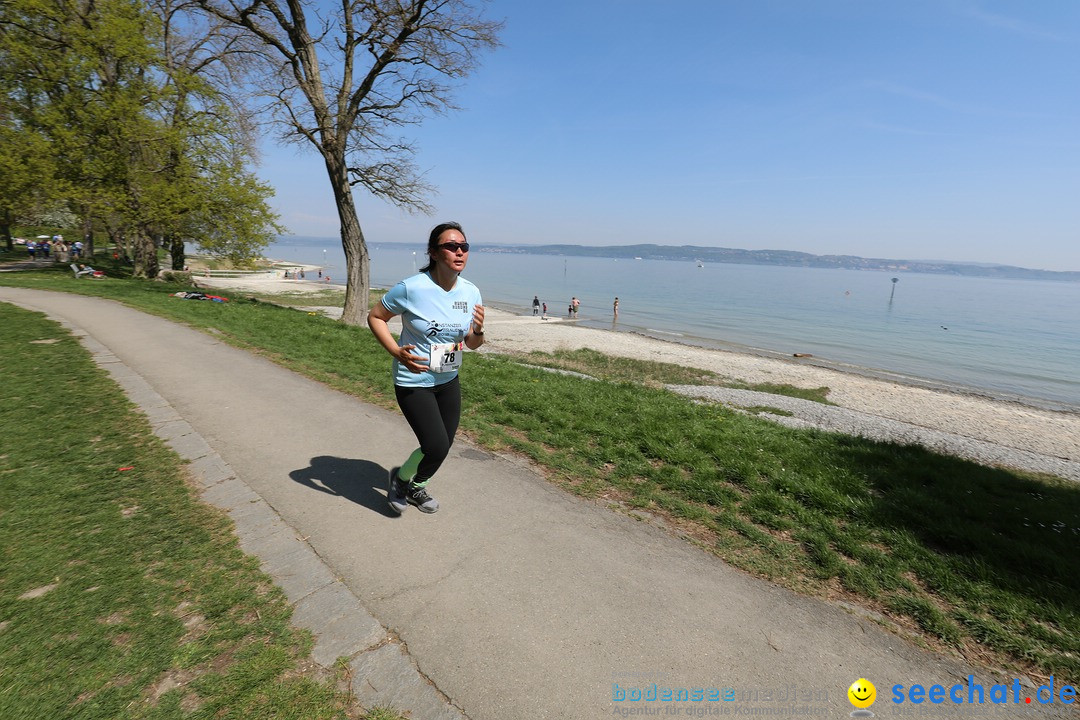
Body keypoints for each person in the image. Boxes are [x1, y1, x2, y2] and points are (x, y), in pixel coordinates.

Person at [367, 221, 485, 515]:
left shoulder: (471, 292)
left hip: (448, 379)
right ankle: (400, 481)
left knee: (444, 446)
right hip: (413, 379)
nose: (459, 252)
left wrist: (479, 331)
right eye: (451, 246)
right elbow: (376, 317)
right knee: (434, 444)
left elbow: (471, 344)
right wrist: (395, 350)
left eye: (464, 247)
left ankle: (415, 484)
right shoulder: (411, 288)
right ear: (433, 252)